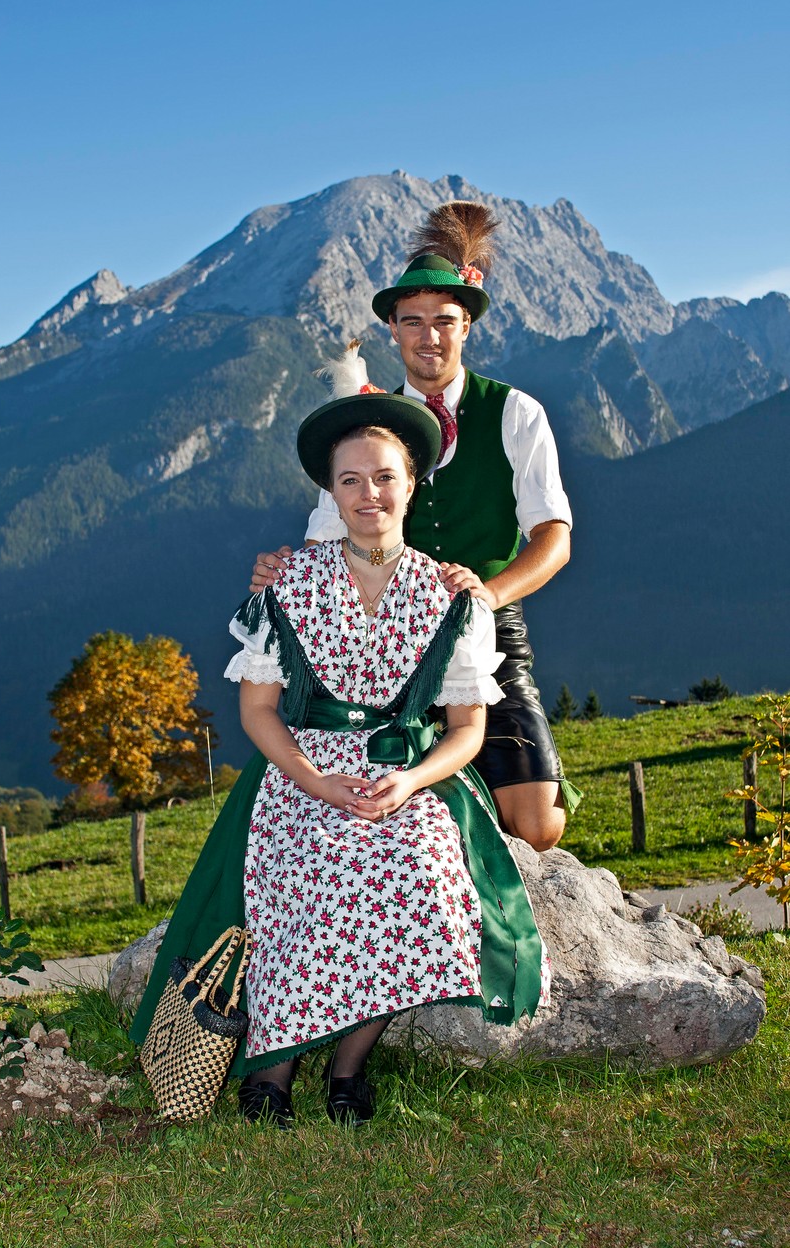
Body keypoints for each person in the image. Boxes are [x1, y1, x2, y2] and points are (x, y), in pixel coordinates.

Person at [131, 377, 548, 1128]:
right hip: (301, 772)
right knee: (308, 878)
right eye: (349, 480)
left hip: (404, 774)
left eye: (384, 478)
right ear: (330, 491)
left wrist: (409, 781)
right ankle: (272, 1072)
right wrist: (314, 779)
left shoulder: (450, 598)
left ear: (411, 485)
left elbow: (466, 729)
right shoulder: (288, 584)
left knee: (424, 878)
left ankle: (348, 1071)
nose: (369, 495)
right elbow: (257, 710)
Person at [253, 201, 577, 853]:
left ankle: (476, 796)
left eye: (444, 322)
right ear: (392, 332)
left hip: (483, 621)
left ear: (466, 328)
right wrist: (284, 576)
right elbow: (328, 535)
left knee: (538, 826)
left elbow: (554, 539)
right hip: (382, 632)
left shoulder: (514, 414)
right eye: (413, 323)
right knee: (365, 802)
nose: (429, 337)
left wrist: (485, 595)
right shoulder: (366, 423)